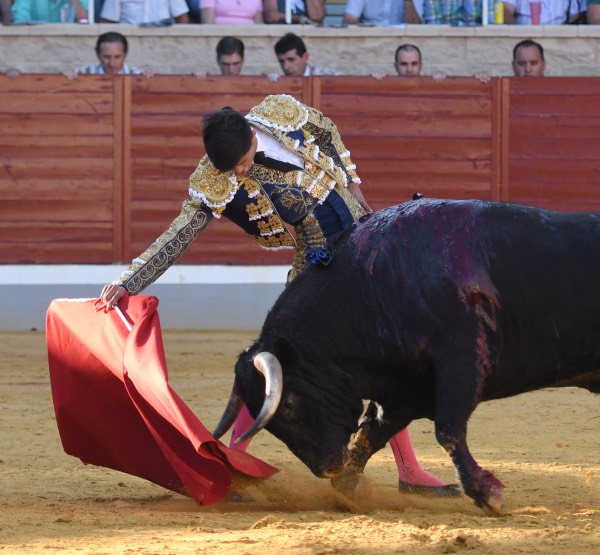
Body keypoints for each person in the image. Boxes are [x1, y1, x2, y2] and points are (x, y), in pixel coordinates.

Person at [96, 97, 460, 498]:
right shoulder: (217, 178)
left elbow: (325, 128)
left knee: (386, 358)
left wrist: (353, 183)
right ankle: (235, 459)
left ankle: (408, 469)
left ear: (253, 137)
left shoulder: (278, 114)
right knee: (281, 364)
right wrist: (131, 281)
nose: (238, 172)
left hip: (362, 246)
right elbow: (181, 232)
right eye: (229, 168)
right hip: (317, 268)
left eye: (241, 161)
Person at [274, 32, 340, 76]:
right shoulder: (279, 84)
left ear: (305, 57)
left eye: (291, 60)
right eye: (281, 62)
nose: (286, 67)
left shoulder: (330, 77)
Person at [76, 31, 143, 74]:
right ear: (98, 55)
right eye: (107, 57)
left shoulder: (137, 75)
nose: (112, 64)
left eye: (117, 57)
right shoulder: (82, 73)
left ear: (125, 55)